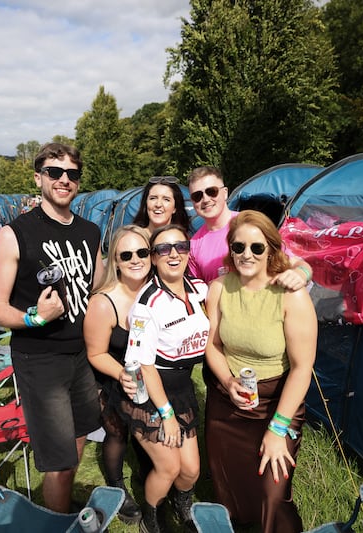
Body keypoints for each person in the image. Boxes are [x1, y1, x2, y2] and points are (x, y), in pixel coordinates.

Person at [0, 142, 105, 513]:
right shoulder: (15, 233)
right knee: (59, 459)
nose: (64, 179)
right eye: (55, 172)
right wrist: (34, 318)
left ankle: (65, 505)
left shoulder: (90, 231)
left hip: (83, 355)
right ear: (39, 178)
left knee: (81, 434)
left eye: (72, 173)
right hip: (40, 360)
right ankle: (57, 520)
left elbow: (100, 286)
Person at [204, 210, 317, 533]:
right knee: (230, 485)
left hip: (277, 401)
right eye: (239, 247)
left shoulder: (290, 295)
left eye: (256, 247)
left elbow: (301, 367)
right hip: (228, 401)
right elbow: (214, 346)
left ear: (272, 249)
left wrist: (278, 429)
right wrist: (227, 381)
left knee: (273, 491)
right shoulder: (219, 289)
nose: (247, 255)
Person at [120, 224, 210, 533]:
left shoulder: (199, 289)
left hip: (182, 385)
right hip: (151, 391)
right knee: (170, 467)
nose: (173, 253)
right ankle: (151, 516)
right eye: (162, 249)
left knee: (192, 471)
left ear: (188, 251)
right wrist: (167, 415)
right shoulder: (147, 305)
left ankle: (181, 503)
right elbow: (145, 367)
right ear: (154, 258)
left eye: (180, 246)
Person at [84, 225, 153, 525]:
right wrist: (122, 374)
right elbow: (95, 353)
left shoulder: (156, 291)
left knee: (144, 429)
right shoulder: (103, 302)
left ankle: (146, 473)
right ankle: (117, 487)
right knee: (117, 432)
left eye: (142, 252)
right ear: (115, 261)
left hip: (147, 376)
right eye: (126, 255)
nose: (135, 259)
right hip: (112, 377)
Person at [187, 166, 312, 288]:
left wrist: (301, 274)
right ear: (193, 202)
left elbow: (296, 263)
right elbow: (199, 292)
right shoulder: (193, 246)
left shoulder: (252, 224)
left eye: (211, 192)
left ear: (225, 193)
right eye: (197, 196)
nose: (206, 199)